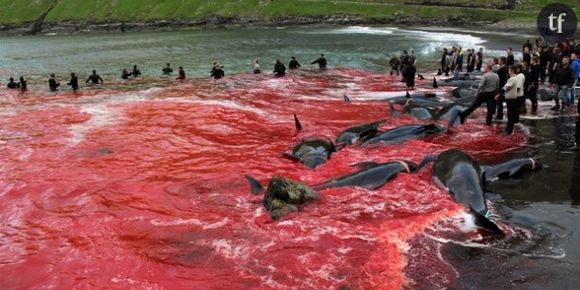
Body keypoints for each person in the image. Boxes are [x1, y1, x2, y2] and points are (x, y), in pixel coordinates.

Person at [496, 65, 519, 135]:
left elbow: (506, 87)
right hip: (512, 99)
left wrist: (499, 94)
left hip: (511, 99)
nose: (508, 72)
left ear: (512, 71)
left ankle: (509, 130)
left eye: (509, 70)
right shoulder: (514, 78)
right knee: (510, 114)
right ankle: (508, 129)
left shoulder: (512, 79)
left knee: (510, 115)